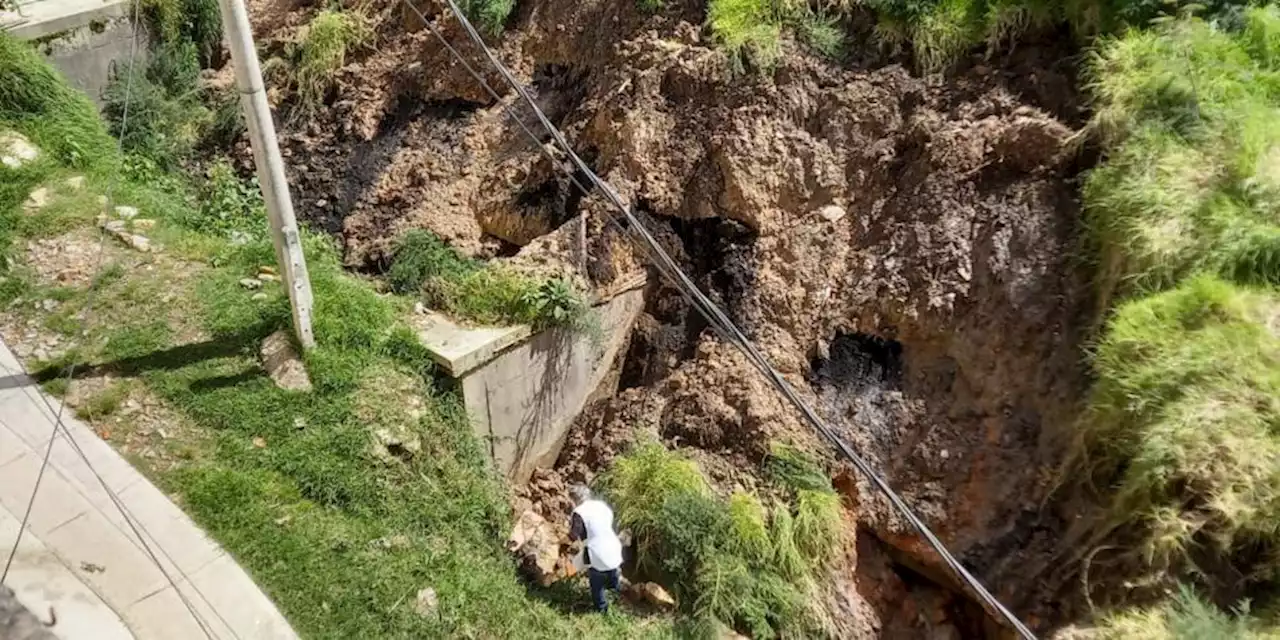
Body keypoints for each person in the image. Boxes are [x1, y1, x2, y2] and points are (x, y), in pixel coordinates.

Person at [568, 485, 623, 613]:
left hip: (597, 554)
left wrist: (560, 539)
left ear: (576, 500)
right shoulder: (602, 506)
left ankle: (602, 609)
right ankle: (616, 594)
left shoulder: (579, 512)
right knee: (612, 574)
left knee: (596, 583)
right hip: (613, 547)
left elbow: (573, 536)